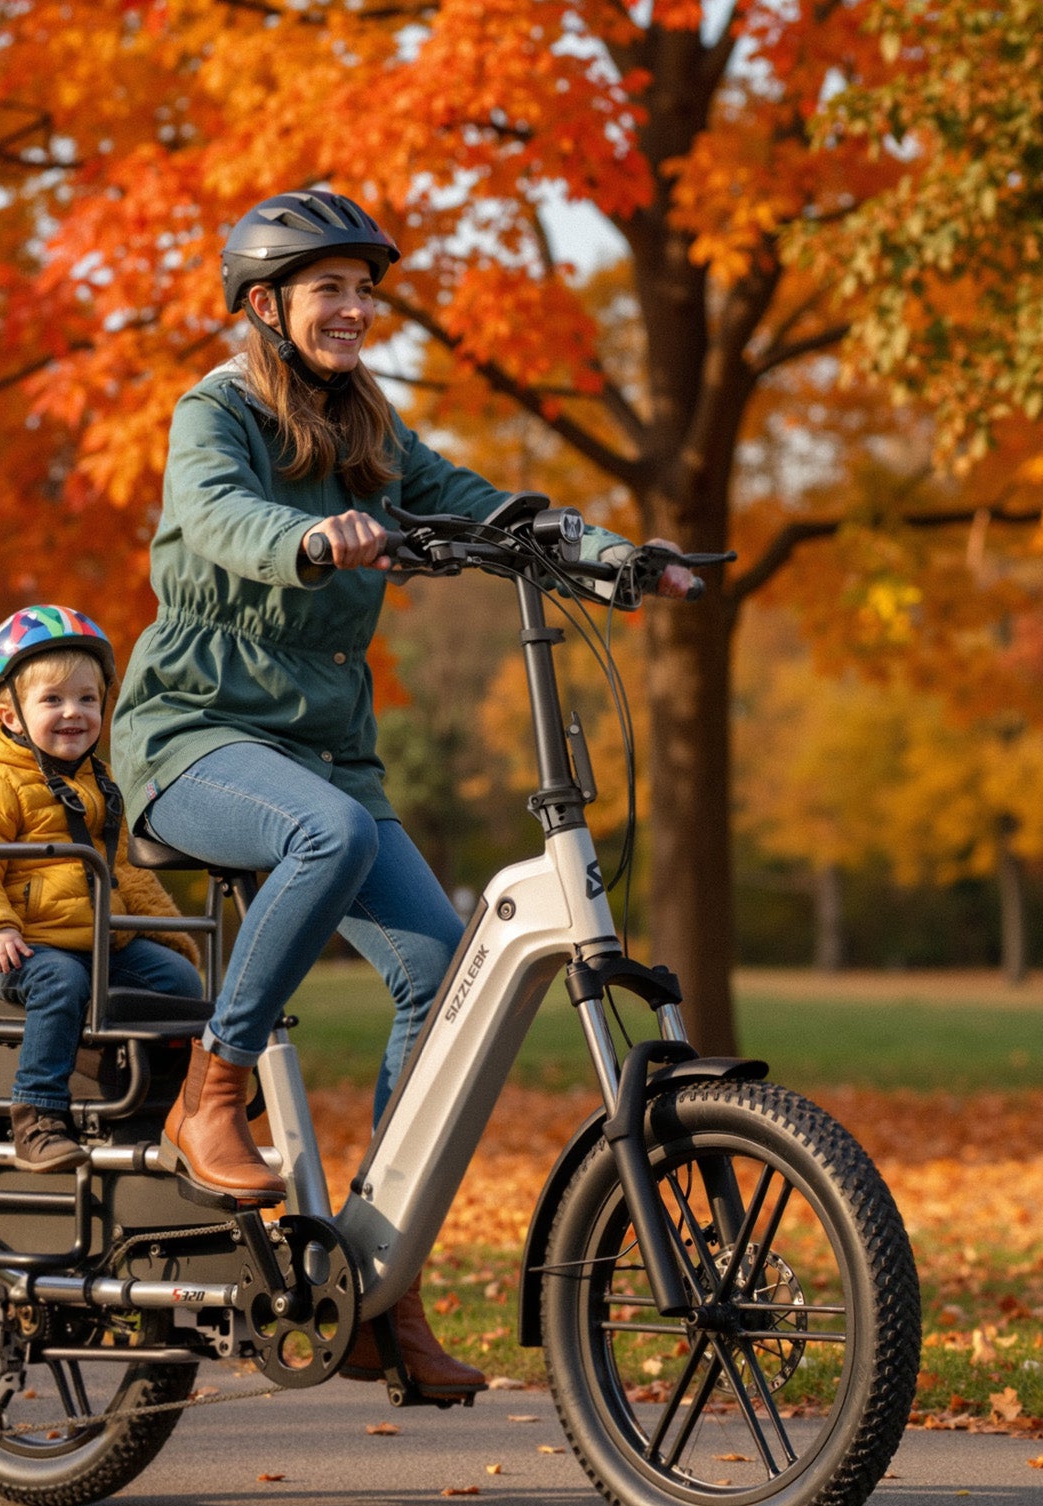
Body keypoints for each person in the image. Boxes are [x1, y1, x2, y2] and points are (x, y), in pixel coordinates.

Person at [111, 190, 693, 1399]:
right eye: (331, 288)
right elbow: (216, 516)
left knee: (448, 965)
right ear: (266, 305)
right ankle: (209, 1099)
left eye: (363, 290)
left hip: (326, 754)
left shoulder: (373, 429)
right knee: (319, 835)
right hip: (194, 739)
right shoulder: (213, 411)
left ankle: (375, 1281)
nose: (355, 307)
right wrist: (311, 541)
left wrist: (608, 554)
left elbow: (479, 500)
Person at [0, 605, 204, 1174]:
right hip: (25, 948)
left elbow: (127, 870)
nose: (74, 713)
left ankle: (175, 1107)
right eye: (53, 700)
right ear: (11, 715)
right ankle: (37, 1115)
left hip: (100, 941)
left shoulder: (102, 780)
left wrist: (165, 925)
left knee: (180, 981)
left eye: (88, 700)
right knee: (61, 981)